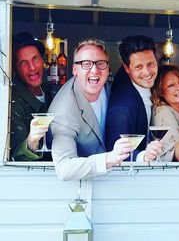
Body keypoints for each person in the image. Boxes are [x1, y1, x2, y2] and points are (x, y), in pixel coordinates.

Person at [49, 39, 132, 180]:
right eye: (86, 64)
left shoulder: (112, 90)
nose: (95, 70)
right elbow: (64, 169)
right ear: (75, 70)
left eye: (100, 63)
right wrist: (108, 159)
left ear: (107, 69)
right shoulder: (64, 110)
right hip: (82, 187)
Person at [105, 35, 162, 162]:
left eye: (150, 64)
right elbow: (116, 151)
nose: (147, 72)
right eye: (139, 67)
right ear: (126, 68)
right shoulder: (123, 107)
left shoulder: (149, 84)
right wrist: (143, 156)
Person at [10, 32, 52, 161]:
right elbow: (15, 158)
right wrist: (32, 141)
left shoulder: (49, 90)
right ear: (14, 69)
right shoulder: (12, 102)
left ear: (42, 60)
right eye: (23, 62)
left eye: (35, 58)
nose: (32, 67)